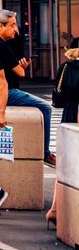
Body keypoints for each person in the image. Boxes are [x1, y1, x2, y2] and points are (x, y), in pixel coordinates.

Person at [0, 9, 55, 165]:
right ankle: (45, 153)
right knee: (45, 108)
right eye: (12, 25)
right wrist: (23, 66)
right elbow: (20, 72)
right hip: (6, 91)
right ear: (0, 26)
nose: (15, 29)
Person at [47, 46, 79, 227]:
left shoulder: (65, 67)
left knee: (66, 165)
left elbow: (59, 97)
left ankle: (54, 209)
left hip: (69, 113)